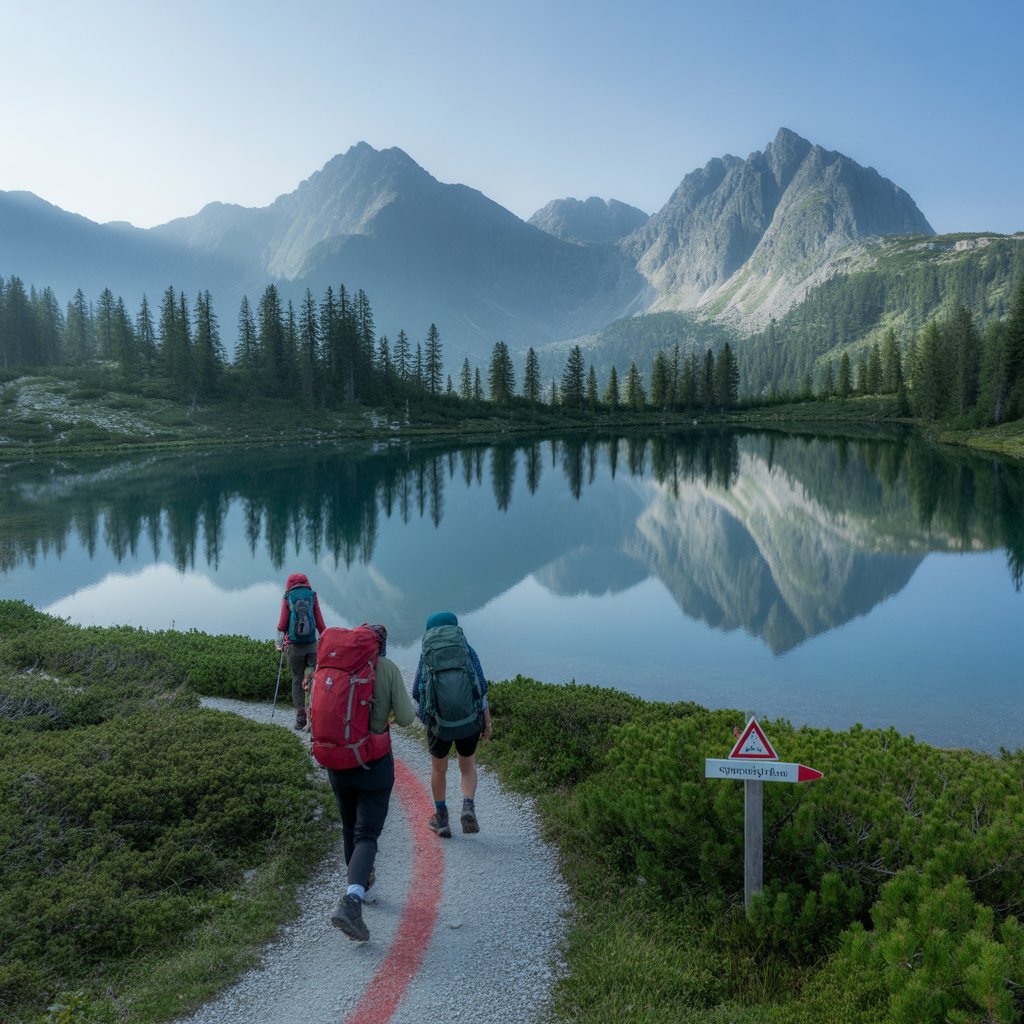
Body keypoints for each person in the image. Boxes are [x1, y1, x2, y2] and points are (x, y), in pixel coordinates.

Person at [328, 624, 415, 943]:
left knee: (349, 826)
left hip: (337, 761)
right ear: (382, 646)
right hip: (373, 762)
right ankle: (352, 901)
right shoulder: (387, 668)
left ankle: (360, 884)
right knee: (367, 833)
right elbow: (406, 718)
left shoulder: (335, 663)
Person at [411, 611, 492, 838]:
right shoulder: (467, 650)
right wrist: (486, 720)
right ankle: (468, 807)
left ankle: (441, 818)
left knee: (439, 769)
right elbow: (481, 687)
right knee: (467, 766)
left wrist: (429, 717)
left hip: (439, 725)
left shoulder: (426, 654)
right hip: (469, 721)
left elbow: (417, 690)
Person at [275, 572, 326, 730]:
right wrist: (325, 639)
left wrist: (278, 642)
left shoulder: (288, 596)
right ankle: (312, 716)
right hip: (311, 647)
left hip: (295, 648)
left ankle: (300, 717)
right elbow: (319, 622)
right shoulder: (312, 595)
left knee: (297, 678)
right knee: (311, 678)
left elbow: (283, 623)